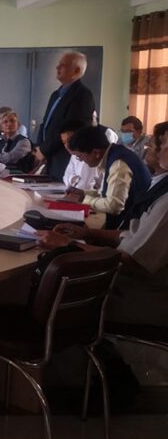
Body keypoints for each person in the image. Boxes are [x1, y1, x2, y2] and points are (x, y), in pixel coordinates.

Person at [38, 121, 168, 328]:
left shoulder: (165, 201)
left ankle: (51, 340)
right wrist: (87, 234)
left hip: (139, 295)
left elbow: (132, 261)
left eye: (155, 146)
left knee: (54, 277)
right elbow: (132, 233)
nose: (150, 150)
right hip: (133, 278)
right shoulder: (160, 184)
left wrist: (68, 244)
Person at [63, 124, 151, 229]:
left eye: (79, 156)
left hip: (130, 226)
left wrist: (82, 199)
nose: (81, 160)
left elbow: (114, 205)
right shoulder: (113, 154)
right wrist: (83, 193)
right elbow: (107, 193)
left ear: (96, 152)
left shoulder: (118, 163)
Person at [34, 52, 95, 181]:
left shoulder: (83, 95)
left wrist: (44, 150)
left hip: (63, 160)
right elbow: (45, 124)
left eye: (63, 65)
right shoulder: (56, 94)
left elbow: (70, 131)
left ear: (76, 70)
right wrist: (39, 147)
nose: (57, 67)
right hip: (49, 159)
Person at [61, 120, 119, 189]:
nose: (67, 146)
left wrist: (76, 183)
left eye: (70, 140)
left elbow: (84, 185)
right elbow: (66, 176)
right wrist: (82, 192)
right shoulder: (101, 159)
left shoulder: (117, 164)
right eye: (64, 142)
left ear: (96, 153)